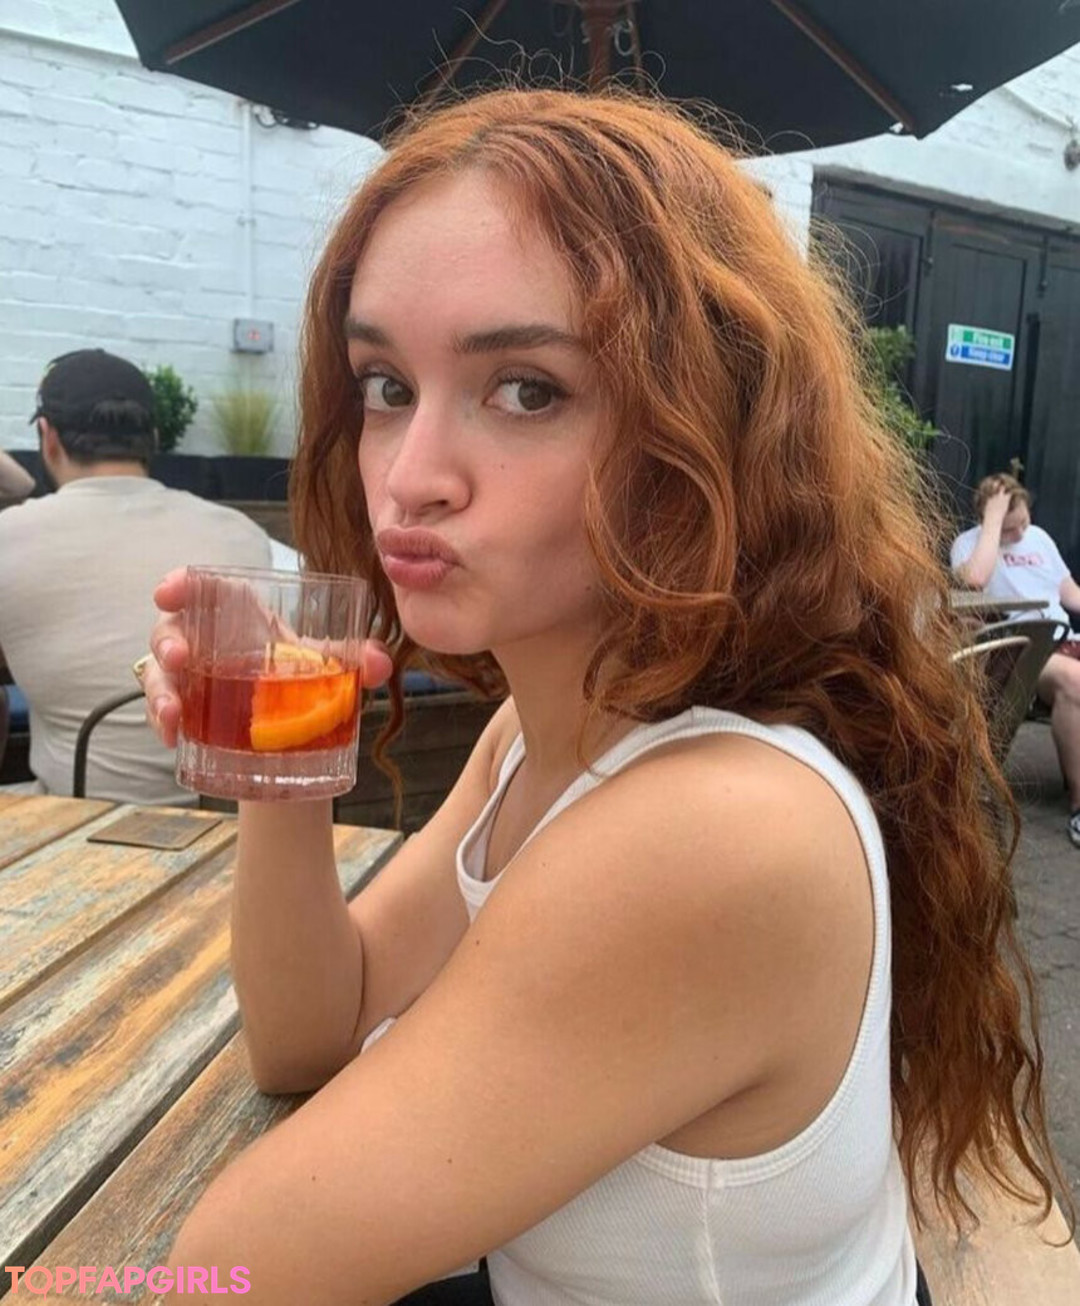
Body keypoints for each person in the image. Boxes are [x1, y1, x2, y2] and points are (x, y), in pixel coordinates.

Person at [139, 89, 1068, 1306]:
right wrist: (282, 767)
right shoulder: (539, 736)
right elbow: (314, 1031)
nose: (409, 477)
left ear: (702, 436)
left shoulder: (709, 829)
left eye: (526, 389)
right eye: (385, 384)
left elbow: (225, 1273)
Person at [0, 349, 272, 804]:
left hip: (77, 822)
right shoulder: (241, 532)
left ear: (48, 438)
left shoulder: (8, 536)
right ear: (154, 439)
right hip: (229, 819)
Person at [951, 473, 1080, 845]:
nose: (1020, 533)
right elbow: (974, 580)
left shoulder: (1039, 538)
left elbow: (1069, 594)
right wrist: (993, 525)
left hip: (1066, 638)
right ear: (987, 518)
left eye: (1023, 522)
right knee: (1074, 681)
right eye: (1010, 528)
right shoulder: (969, 544)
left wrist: (1014, 526)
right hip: (1024, 647)